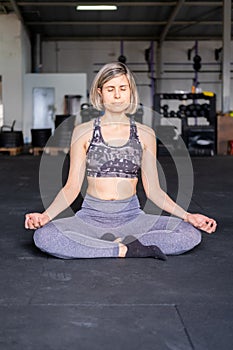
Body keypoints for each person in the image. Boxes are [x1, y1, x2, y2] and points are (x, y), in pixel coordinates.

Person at [25, 62, 217, 260]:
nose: (117, 95)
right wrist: (45, 216)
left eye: (122, 88)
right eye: (110, 89)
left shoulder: (145, 134)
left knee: (188, 233)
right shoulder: (82, 132)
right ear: (100, 92)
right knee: (45, 236)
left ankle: (98, 247)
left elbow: (154, 191)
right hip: (91, 218)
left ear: (130, 91)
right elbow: (72, 186)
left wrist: (188, 216)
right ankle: (123, 249)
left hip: (132, 218)